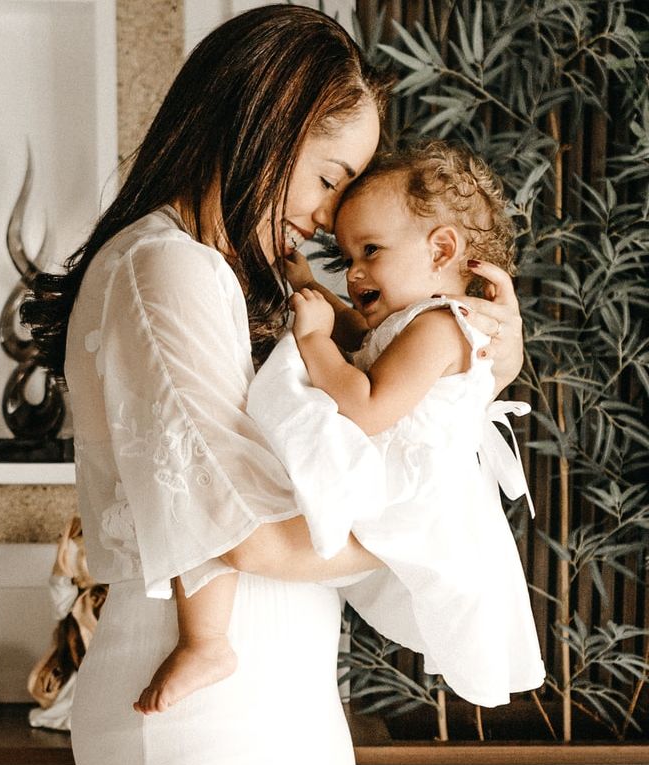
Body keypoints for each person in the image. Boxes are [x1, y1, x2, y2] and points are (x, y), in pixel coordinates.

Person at [23, 8, 525, 765]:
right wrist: (428, 529)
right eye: (331, 174)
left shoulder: (216, 270)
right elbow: (252, 533)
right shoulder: (165, 269)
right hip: (205, 708)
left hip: (274, 698)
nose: (332, 212)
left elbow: (351, 430)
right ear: (266, 118)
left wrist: (481, 367)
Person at [137, 140, 544, 714]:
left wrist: (311, 340)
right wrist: (307, 284)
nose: (353, 274)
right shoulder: (411, 318)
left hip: (405, 491)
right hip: (383, 470)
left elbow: (369, 404)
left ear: (441, 249)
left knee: (222, 521)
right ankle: (205, 641)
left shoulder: (440, 329)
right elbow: (359, 333)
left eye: (369, 251)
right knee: (211, 501)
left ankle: (206, 642)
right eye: (346, 257)